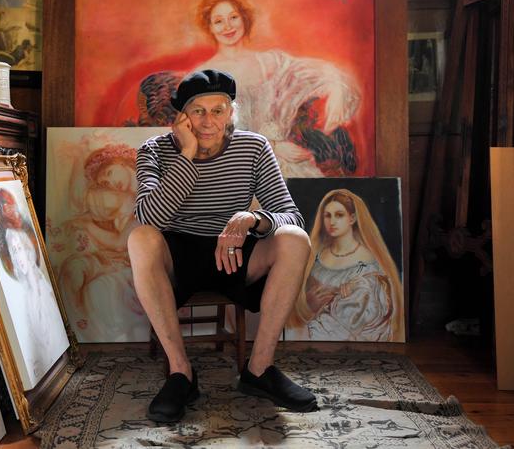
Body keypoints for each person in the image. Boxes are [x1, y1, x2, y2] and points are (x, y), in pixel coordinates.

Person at [128, 69, 317, 423]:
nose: (209, 120)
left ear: (231, 112)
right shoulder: (153, 151)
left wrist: (252, 219)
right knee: (141, 238)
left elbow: (291, 215)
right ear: (181, 116)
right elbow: (151, 217)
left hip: (235, 254)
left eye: (219, 110)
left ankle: (259, 369)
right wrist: (186, 154)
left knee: (295, 240)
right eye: (198, 111)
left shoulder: (254, 147)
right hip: (178, 259)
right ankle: (181, 373)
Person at [193, 0, 361, 177]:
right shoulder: (203, 75)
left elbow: (319, 73)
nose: (227, 26)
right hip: (235, 167)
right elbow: (205, 135)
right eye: (218, 21)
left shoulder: (269, 62)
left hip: (286, 160)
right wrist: (273, 147)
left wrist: (336, 90)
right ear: (209, 27)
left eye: (233, 17)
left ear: (244, 18)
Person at [54, 144, 148, 341]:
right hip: (106, 259)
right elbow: (90, 212)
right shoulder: (114, 198)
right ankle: (75, 321)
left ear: (126, 165)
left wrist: (87, 225)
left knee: (98, 284)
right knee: (73, 268)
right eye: (104, 182)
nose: (108, 182)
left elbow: (119, 243)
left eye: (110, 173)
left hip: (132, 261)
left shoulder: (145, 199)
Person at [288, 189, 404, 342]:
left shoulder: (369, 265)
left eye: (339, 215)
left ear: (352, 218)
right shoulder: (315, 256)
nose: (332, 222)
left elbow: (369, 322)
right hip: (308, 336)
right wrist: (308, 305)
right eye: (327, 215)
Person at [0, 188, 69, 383]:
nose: (19, 256)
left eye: (22, 249)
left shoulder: (21, 232)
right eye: (15, 251)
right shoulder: (8, 236)